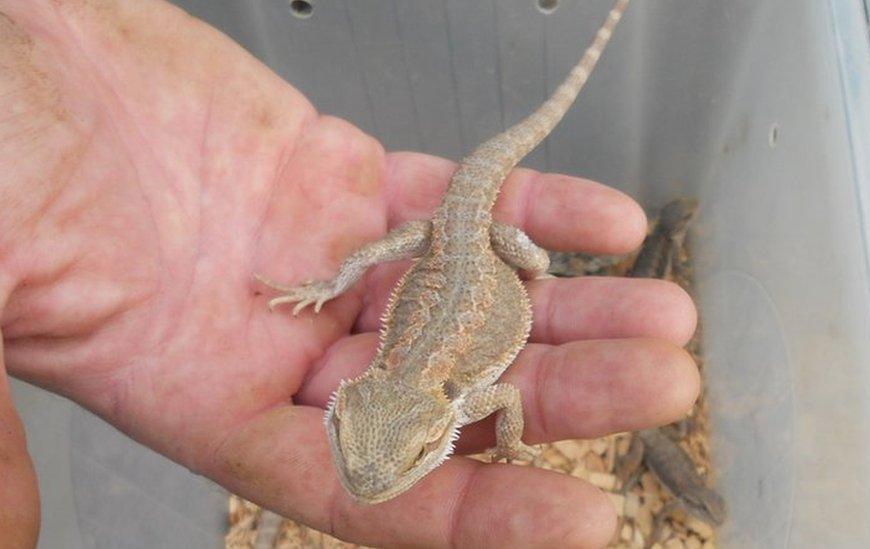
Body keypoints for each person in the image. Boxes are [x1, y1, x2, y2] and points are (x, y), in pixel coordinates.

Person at [0, 1, 699, 547]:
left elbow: (511, 406)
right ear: (347, 403)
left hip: (473, 242)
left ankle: (456, 250)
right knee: (523, 264)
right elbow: (495, 404)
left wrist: (511, 442)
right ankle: (342, 279)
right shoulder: (397, 377)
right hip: (437, 239)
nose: (368, 483)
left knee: (539, 263)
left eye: (394, 460)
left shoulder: (462, 397)